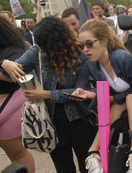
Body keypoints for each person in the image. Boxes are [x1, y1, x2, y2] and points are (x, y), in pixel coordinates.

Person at [1, 16, 93, 173]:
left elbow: (80, 93)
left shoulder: (80, 55)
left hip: (80, 120)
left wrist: (45, 94)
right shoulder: (37, 52)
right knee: (63, 168)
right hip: (51, 122)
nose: (44, 51)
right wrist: (4, 62)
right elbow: (11, 72)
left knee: (88, 165)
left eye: (46, 46)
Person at [73, 19, 132, 173]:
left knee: (129, 99)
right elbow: (111, 93)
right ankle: (93, 152)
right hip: (126, 98)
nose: (85, 49)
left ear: (103, 41)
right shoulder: (93, 66)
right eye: (82, 46)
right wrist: (90, 94)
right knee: (115, 107)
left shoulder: (121, 57)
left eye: (89, 44)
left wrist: (116, 98)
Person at [0, 16, 35, 173]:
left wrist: (4, 64)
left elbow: (12, 75)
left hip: (9, 105)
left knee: (16, 153)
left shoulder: (13, 50)